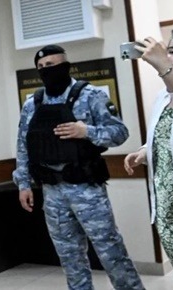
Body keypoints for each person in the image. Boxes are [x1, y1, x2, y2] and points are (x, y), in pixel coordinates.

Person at [13, 44, 144, 290]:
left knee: (111, 253)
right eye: (41, 67)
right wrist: (23, 184)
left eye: (51, 65)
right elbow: (23, 145)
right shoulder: (33, 104)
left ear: (65, 65)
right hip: (53, 192)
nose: (46, 70)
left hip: (87, 189)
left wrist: (87, 131)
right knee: (70, 259)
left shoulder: (91, 95)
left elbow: (119, 133)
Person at [124, 32, 173, 287]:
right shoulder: (162, 97)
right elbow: (165, 138)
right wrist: (145, 152)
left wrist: (164, 66)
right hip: (166, 207)